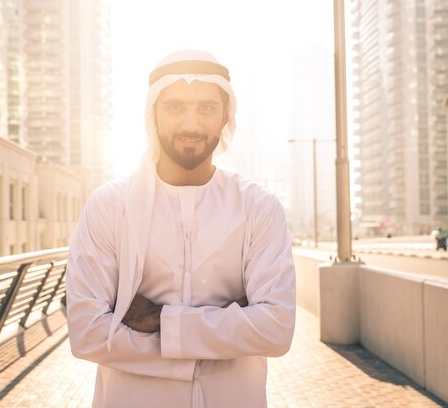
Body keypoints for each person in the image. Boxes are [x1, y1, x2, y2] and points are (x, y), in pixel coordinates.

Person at [65, 49, 296, 408]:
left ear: (225, 117)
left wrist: (157, 320)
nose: (191, 124)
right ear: (153, 114)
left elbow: (276, 330)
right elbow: (87, 334)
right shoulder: (110, 206)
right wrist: (229, 328)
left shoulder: (257, 207)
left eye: (206, 108)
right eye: (175, 107)